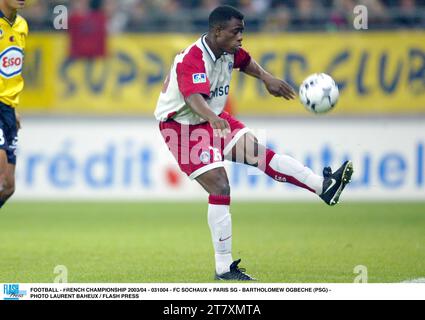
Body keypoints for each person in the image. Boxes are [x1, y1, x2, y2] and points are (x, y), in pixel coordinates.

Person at [155, 5, 353, 281]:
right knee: (220, 185)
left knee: (258, 154)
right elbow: (192, 98)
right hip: (182, 126)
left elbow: (245, 60)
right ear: (217, 31)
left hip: (211, 118)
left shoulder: (227, 51)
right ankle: (224, 268)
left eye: (242, 32)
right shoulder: (193, 58)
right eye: (236, 32)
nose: (240, 38)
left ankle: (324, 187)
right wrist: (212, 117)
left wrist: (266, 77)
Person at [0, 0, 28, 209]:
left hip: (8, 109)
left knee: (8, 186)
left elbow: (12, 73)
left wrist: (13, 109)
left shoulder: (22, 26)